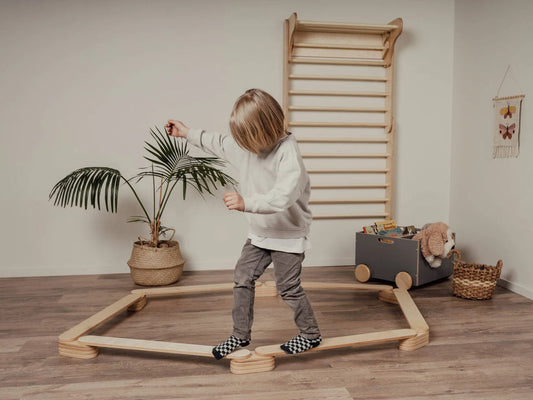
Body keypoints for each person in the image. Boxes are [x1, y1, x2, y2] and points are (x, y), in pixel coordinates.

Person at [166, 88, 321, 359]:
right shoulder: (248, 147)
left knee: (288, 287)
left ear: (264, 130)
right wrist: (186, 132)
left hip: (287, 235)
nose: (241, 146)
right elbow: (218, 142)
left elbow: (282, 196)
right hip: (260, 234)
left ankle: (310, 334)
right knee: (242, 279)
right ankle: (240, 335)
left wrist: (246, 202)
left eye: (246, 139)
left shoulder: (289, 156)